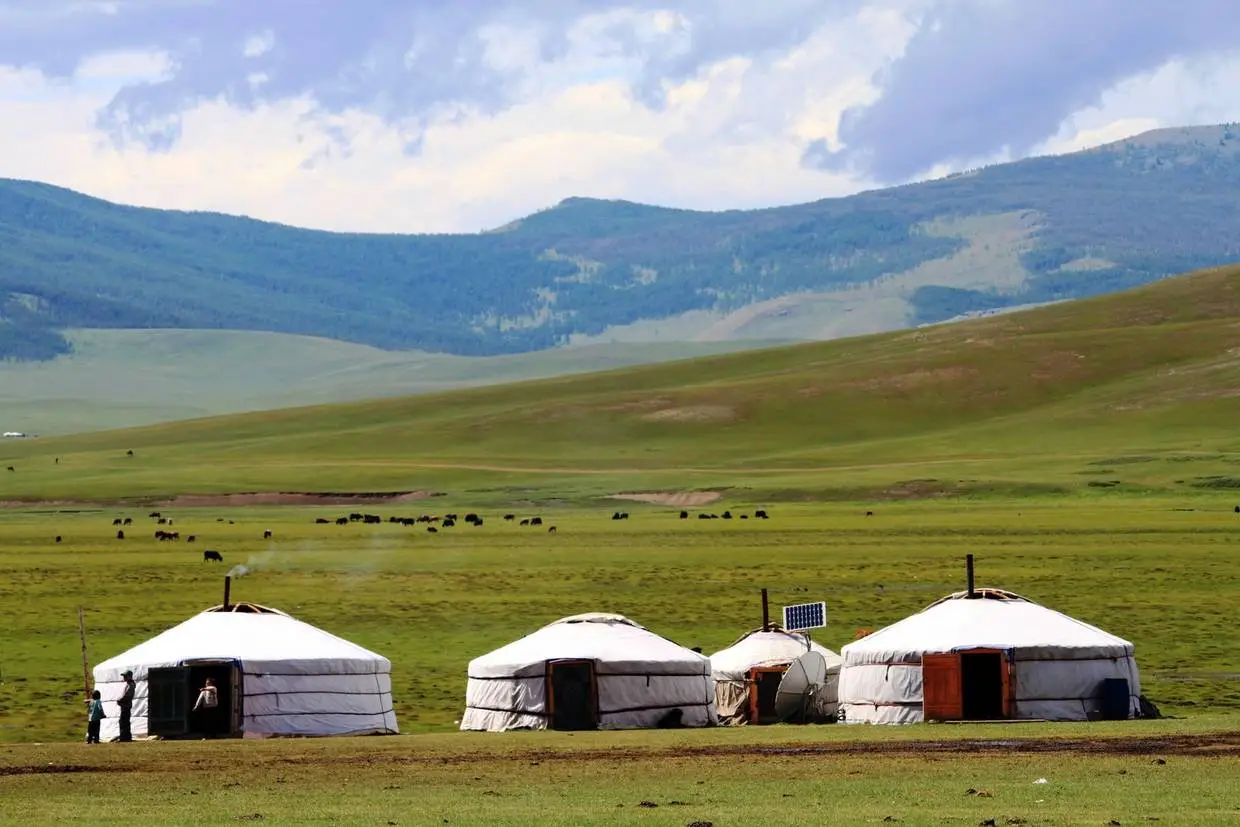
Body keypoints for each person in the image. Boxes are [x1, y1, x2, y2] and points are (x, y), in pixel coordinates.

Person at [117, 670, 135, 742]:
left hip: (126, 706)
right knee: (125, 721)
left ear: (129, 676)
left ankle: (123, 737)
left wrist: (120, 700)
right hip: (125, 705)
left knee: (123, 721)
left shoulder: (131, 685)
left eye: (125, 676)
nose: (124, 677)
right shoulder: (129, 684)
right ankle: (126, 737)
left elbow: (127, 696)